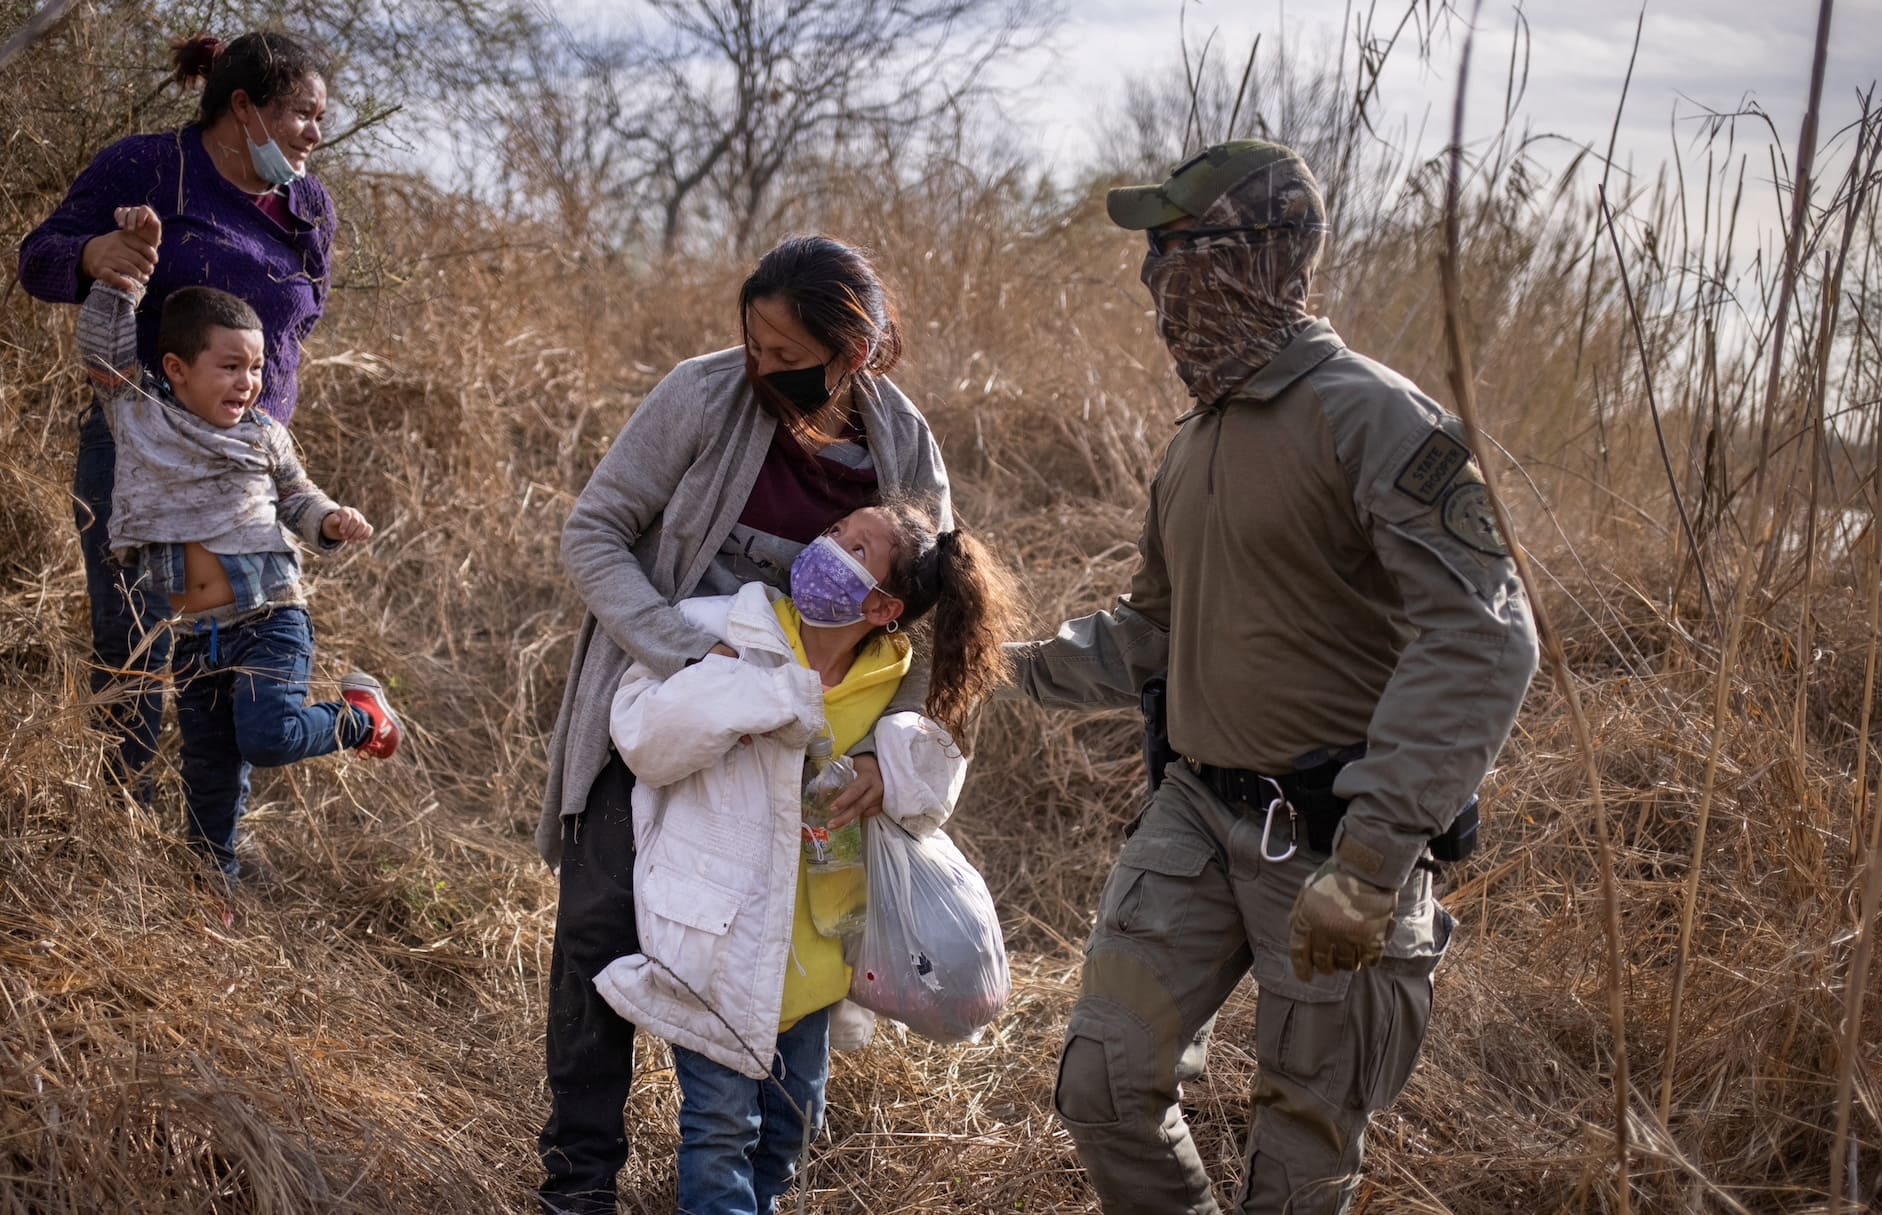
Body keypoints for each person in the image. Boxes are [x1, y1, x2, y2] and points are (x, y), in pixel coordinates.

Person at [1000, 140, 1539, 1213]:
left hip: (1337, 840)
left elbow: (1485, 637)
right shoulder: (1193, 444)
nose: (1158, 281)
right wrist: (1001, 670)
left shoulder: (1376, 420)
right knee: (1103, 1084)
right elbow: (1151, 633)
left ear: (1257, 254)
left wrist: (1378, 859)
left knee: (1299, 1154)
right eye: (1153, 256)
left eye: (1179, 250)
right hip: (1197, 811)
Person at [538, 236, 953, 1214]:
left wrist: (895, 754)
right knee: (599, 928)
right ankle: (578, 1184)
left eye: (785, 351)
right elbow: (592, 533)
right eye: (754, 342)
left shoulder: (904, 450)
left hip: (799, 762)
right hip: (660, 713)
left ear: (852, 352)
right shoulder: (701, 395)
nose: (763, 366)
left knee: (787, 962)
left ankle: (746, 1179)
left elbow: (933, 602)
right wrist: (688, 667)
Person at [595, 502, 1019, 1215]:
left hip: (818, 959)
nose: (826, 546)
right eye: (833, 532)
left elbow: (935, 784)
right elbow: (641, 734)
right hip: (715, 944)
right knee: (720, 1129)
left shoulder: (896, 684)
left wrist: (887, 774)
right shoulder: (721, 629)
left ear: (883, 605)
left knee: (794, 1125)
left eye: (856, 546)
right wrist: (748, 691)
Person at [19, 31, 337, 800]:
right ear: (242, 107)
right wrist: (97, 254)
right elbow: (39, 258)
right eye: (302, 112)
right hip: (144, 454)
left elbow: (304, 317)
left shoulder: (308, 205)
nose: (316, 134)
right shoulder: (151, 166)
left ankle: (210, 845)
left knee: (231, 651)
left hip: (242, 475)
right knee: (132, 639)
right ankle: (122, 819)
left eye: (322, 117)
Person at [78, 207, 396, 890]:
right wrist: (129, 267)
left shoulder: (262, 435)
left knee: (268, 735)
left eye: (255, 367)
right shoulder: (140, 415)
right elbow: (103, 346)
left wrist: (330, 519)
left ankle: (359, 718)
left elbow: (297, 497)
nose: (248, 383)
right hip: (196, 634)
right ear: (176, 368)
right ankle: (212, 885)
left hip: (271, 614)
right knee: (210, 772)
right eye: (229, 366)